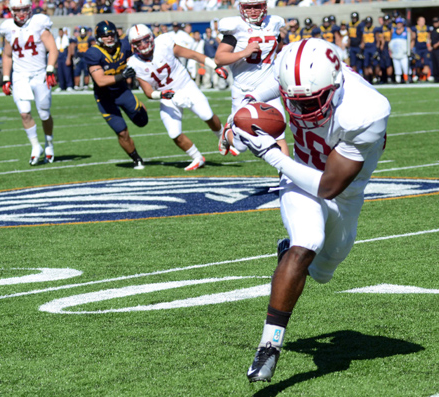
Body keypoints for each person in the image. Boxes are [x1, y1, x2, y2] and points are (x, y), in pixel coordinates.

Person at [229, 38, 390, 383]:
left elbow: (330, 187)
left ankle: (288, 255)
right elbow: (247, 101)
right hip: (298, 174)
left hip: (343, 190)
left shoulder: (366, 109)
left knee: (324, 270)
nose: (303, 112)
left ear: (336, 83)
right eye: (295, 103)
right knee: (307, 242)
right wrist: (236, 125)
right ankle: (269, 346)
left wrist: (272, 154)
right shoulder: (292, 73)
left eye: (313, 102)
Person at [127, 24, 226, 171]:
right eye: (138, 42)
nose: (142, 45)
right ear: (132, 46)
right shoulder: (134, 63)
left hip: (185, 85)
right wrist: (162, 94)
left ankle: (223, 137)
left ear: (151, 38)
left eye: (145, 40)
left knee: (207, 114)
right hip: (167, 96)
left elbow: (192, 54)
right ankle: (197, 158)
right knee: (174, 132)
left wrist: (215, 66)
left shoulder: (164, 42)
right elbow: (148, 92)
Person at [214, 0, 289, 157]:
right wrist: (243, 53)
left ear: (264, 7)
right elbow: (219, 58)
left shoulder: (273, 23)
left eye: (257, 6)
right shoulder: (235, 28)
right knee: (241, 146)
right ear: (241, 8)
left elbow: (282, 49)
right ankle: (227, 132)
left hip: (269, 87)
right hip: (244, 88)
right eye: (248, 7)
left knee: (279, 133)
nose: (253, 11)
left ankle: (287, 179)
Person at [0, 0, 58, 165]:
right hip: (20, 76)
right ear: (11, 10)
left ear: (30, 8)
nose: (22, 13)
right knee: (24, 113)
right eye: (18, 10)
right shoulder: (8, 27)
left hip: (40, 74)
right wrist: (6, 78)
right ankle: (35, 146)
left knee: (44, 113)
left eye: (25, 9)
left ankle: (49, 143)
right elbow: (7, 55)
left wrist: (50, 69)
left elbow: (53, 49)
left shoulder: (39, 23)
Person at [85, 20, 147, 169]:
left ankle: (138, 107)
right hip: (105, 98)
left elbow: (135, 59)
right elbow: (100, 81)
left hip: (122, 91)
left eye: (112, 34)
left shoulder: (124, 46)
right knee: (122, 132)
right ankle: (136, 158)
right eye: (105, 35)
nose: (110, 38)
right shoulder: (93, 53)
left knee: (142, 121)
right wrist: (123, 76)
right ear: (99, 37)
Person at [410, 16, 432, 81]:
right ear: (418, 22)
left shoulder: (427, 28)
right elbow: (413, 39)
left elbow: (429, 38)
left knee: (426, 62)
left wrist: (429, 45)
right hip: (418, 48)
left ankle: (426, 76)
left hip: (425, 48)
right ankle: (418, 75)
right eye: (421, 21)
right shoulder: (415, 28)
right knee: (418, 63)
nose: (423, 22)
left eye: (424, 20)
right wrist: (411, 48)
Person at [389, 17, 409, 83]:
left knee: (405, 67)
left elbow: (411, 40)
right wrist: (390, 51)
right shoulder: (393, 31)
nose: (399, 25)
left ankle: (406, 79)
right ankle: (398, 80)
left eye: (400, 23)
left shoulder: (407, 30)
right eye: (397, 23)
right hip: (395, 53)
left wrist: (409, 49)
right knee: (397, 68)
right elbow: (390, 42)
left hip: (403, 53)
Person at [55, 27, 74, 91]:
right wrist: (56, 61)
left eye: (61, 32)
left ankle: (69, 85)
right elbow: (56, 51)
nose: (60, 33)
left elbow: (69, 49)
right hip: (59, 56)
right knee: (60, 72)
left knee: (67, 72)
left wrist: (68, 58)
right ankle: (61, 86)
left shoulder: (66, 38)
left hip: (64, 56)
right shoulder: (57, 39)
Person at [361, 16, 376, 83]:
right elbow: (362, 39)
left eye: (369, 23)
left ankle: (374, 77)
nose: (368, 24)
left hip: (373, 47)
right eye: (367, 22)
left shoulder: (374, 29)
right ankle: (367, 78)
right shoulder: (363, 29)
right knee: (366, 64)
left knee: (374, 63)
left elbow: (378, 39)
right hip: (366, 48)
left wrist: (377, 48)